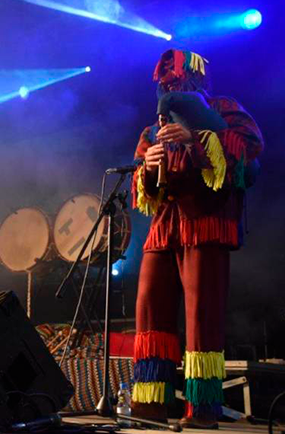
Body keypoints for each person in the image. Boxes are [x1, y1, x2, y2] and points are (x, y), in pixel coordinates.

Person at [130, 49, 263, 429]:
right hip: (164, 226)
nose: (170, 85)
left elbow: (249, 149)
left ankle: (203, 408)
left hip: (206, 222)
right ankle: (150, 402)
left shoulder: (224, 108)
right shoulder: (152, 128)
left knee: (202, 316)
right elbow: (143, 184)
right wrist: (149, 168)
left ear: (196, 77)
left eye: (176, 79)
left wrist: (196, 138)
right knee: (150, 308)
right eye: (165, 82)